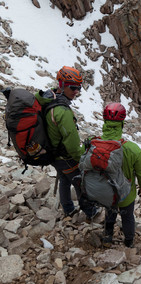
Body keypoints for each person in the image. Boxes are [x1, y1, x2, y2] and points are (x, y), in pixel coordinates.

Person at [35, 66, 98, 220]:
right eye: (73, 88)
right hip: (64, 156)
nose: (76, 91)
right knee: (79, 182)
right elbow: (72, 143)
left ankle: (68, 208)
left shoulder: (50, 97)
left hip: (53, 153)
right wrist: (82, 159)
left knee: (64, 178)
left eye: (78, 88)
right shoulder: (62, 111)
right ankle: (91, 212)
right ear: (62, 85)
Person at [101, 102, 141, 248]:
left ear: (104, 122)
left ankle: (107, 236)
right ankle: (128, 241)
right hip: (125, 194)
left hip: (104, 192)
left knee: (110, 211)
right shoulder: (132, 149)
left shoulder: (94, 145)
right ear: (122, 124)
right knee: (127, 216)